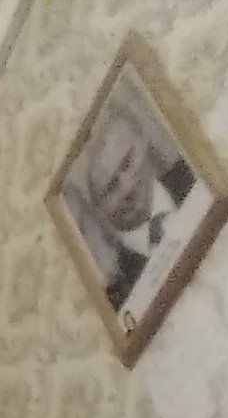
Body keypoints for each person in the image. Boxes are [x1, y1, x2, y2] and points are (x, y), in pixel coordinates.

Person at [84, 105, 198, 310]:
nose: (127, 187)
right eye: (111, 187)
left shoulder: (199, 175)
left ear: (143, 143)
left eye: (127, 163)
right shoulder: (120, 291)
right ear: (99, 210)